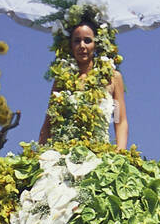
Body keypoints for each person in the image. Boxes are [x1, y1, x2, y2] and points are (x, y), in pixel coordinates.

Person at [39, 11, 128, 151]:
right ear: (70, 45)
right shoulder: (61, 79)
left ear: (96, 44)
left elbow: (119, 120)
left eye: (87, 40)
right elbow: (48, 123)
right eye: (77, 41)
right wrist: (40, 154)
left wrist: (120, 152)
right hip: (64, 152)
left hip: (100, 154)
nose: (82, 46)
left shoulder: (113, 78)